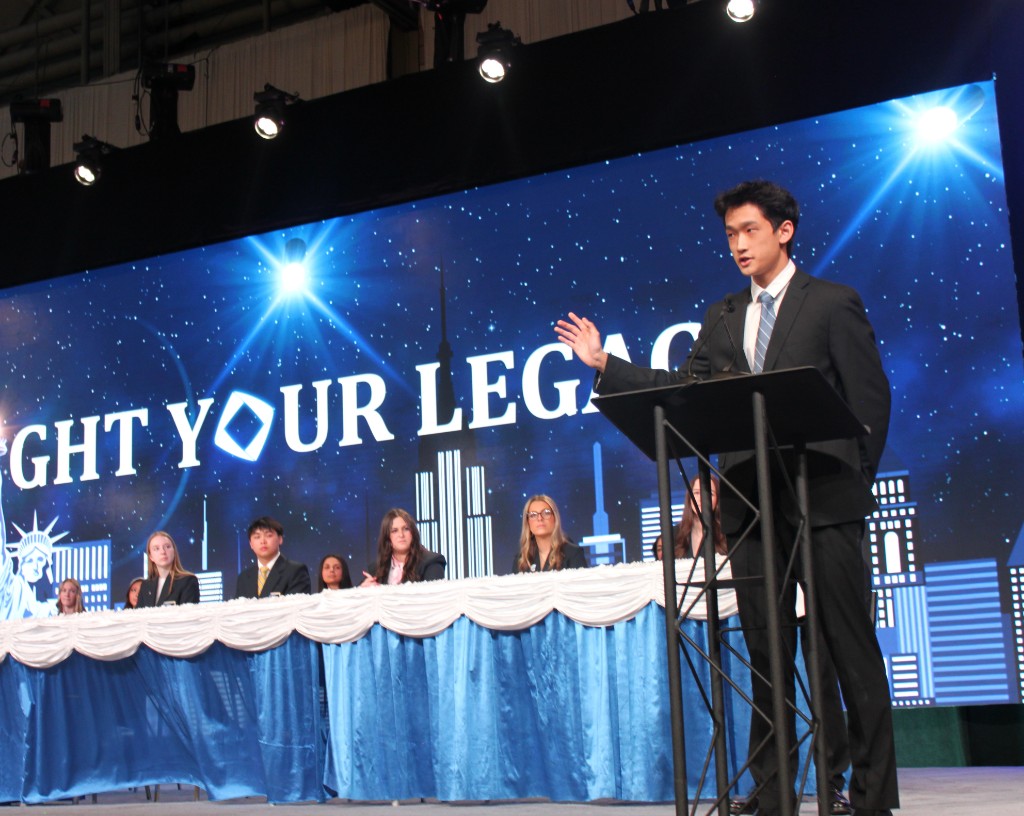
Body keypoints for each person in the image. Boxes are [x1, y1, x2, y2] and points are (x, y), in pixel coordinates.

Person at [556, 180, 896, 816]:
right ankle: (772, 796)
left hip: (823, 500)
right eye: (731, 235)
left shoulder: (831, 303)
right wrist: (606, 364)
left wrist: (854, 481)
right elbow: (687, 387)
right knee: (767, 657)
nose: (738, 246)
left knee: (847, 652)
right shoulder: (722, 315)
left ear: (783, 230)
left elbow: (869, 401)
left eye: (750, 231)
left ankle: (868, 797)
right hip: (749, 510)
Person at [360, 508, 446, 586]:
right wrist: (363, 590)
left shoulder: (431, 562)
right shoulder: (376, 569)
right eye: (394, 531)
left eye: (406, 529)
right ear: (387, 538)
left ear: (413, 533)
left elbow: (434, 598)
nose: (401, 535)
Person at [235, 516, 311, 599]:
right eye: (257, 537)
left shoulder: (295, 571)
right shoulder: (244, 578)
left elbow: (296, 607)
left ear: (280, 539)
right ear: (251, 544)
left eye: (268, 535)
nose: (263, 541)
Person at [511, 494, 587, 573]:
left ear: (555, 518)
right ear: (528, 522)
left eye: (546, 513)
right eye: (533, 515)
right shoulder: (521, 560)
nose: (540, 518)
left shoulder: (573, 554)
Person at [136, 531, 200, 608]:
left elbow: (188, 616)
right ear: (150, 556)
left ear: (174, 551)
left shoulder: (188, 581)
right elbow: (139, 617)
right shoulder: (145, 586)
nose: (163, 552)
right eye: (156, 549)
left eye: (167, 547)